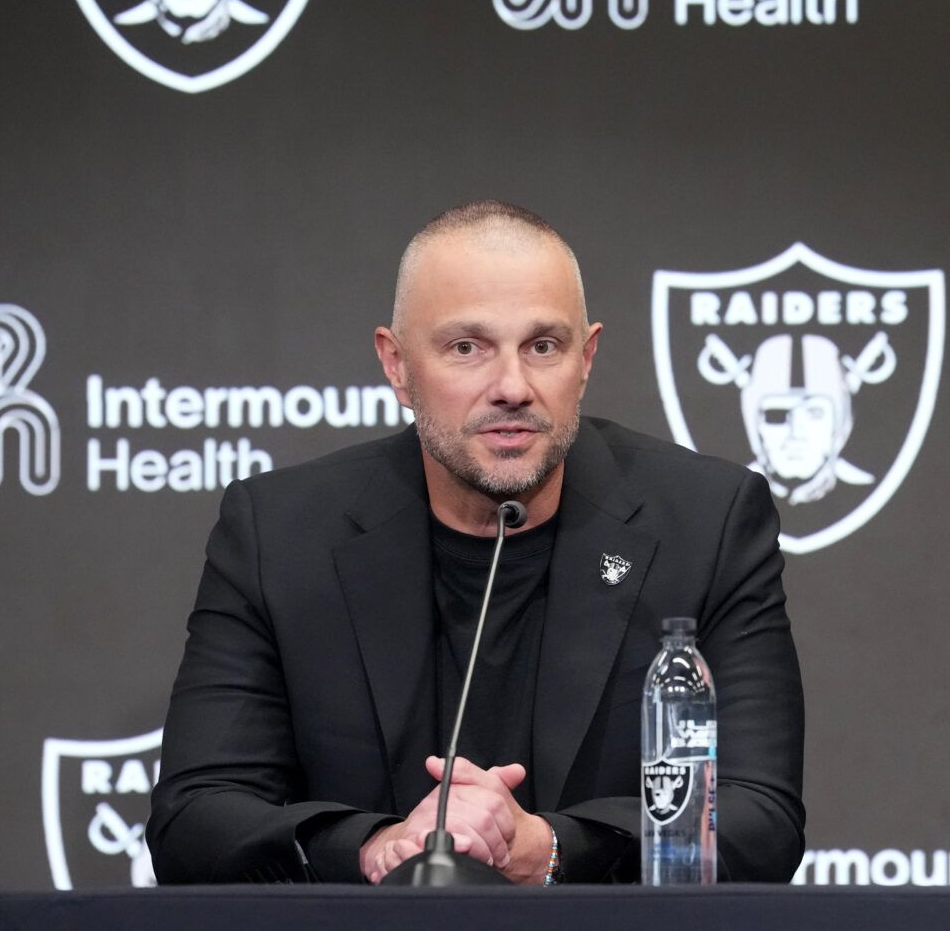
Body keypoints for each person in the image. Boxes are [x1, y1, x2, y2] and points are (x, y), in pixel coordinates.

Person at [148, 201, 805, 884]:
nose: (512, 387)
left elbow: (760, 822)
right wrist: (375, 848)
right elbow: (193, 821)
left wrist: (550, 847)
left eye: (543, 346)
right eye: (467, 347)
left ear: (586, 359)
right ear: (397, 365)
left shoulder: (706, 522)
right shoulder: (281, 533)